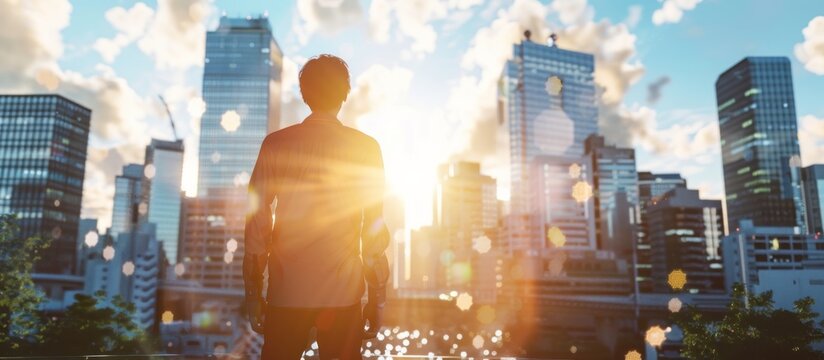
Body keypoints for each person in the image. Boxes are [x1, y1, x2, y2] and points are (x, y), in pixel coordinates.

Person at [243, 54, 390, 359]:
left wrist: (254, 294)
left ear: (304, 93)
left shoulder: (276, 144)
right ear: (344, 94)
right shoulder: (366, 148)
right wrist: (376, 299)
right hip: (343, 296)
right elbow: (373, 231)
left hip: (286, 293)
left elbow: (257, 220)